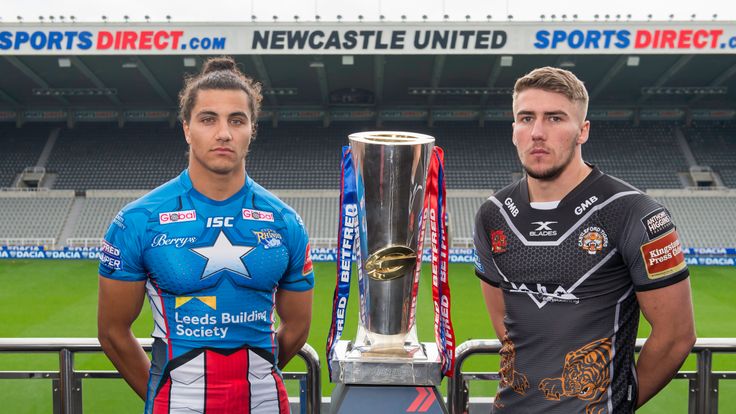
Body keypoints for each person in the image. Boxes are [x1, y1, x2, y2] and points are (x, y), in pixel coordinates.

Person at [97, 56, 314, 414]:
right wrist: (165, 392)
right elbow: (113, 333)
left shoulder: (285, 222)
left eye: (237, 120)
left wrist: (253, 379)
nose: (224, 133)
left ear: (251, 130)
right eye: (208, 119)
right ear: (186, 128)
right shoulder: (138, 221)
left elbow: (298, 327)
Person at [473, 66, 696, 413]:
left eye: (555, 118)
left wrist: (618, 403)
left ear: (582, 131)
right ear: (513, 129)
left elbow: (676, 335)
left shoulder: (636, 212)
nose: (537, 132)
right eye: (526, 118)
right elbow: (505, 325)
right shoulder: (493, 214)